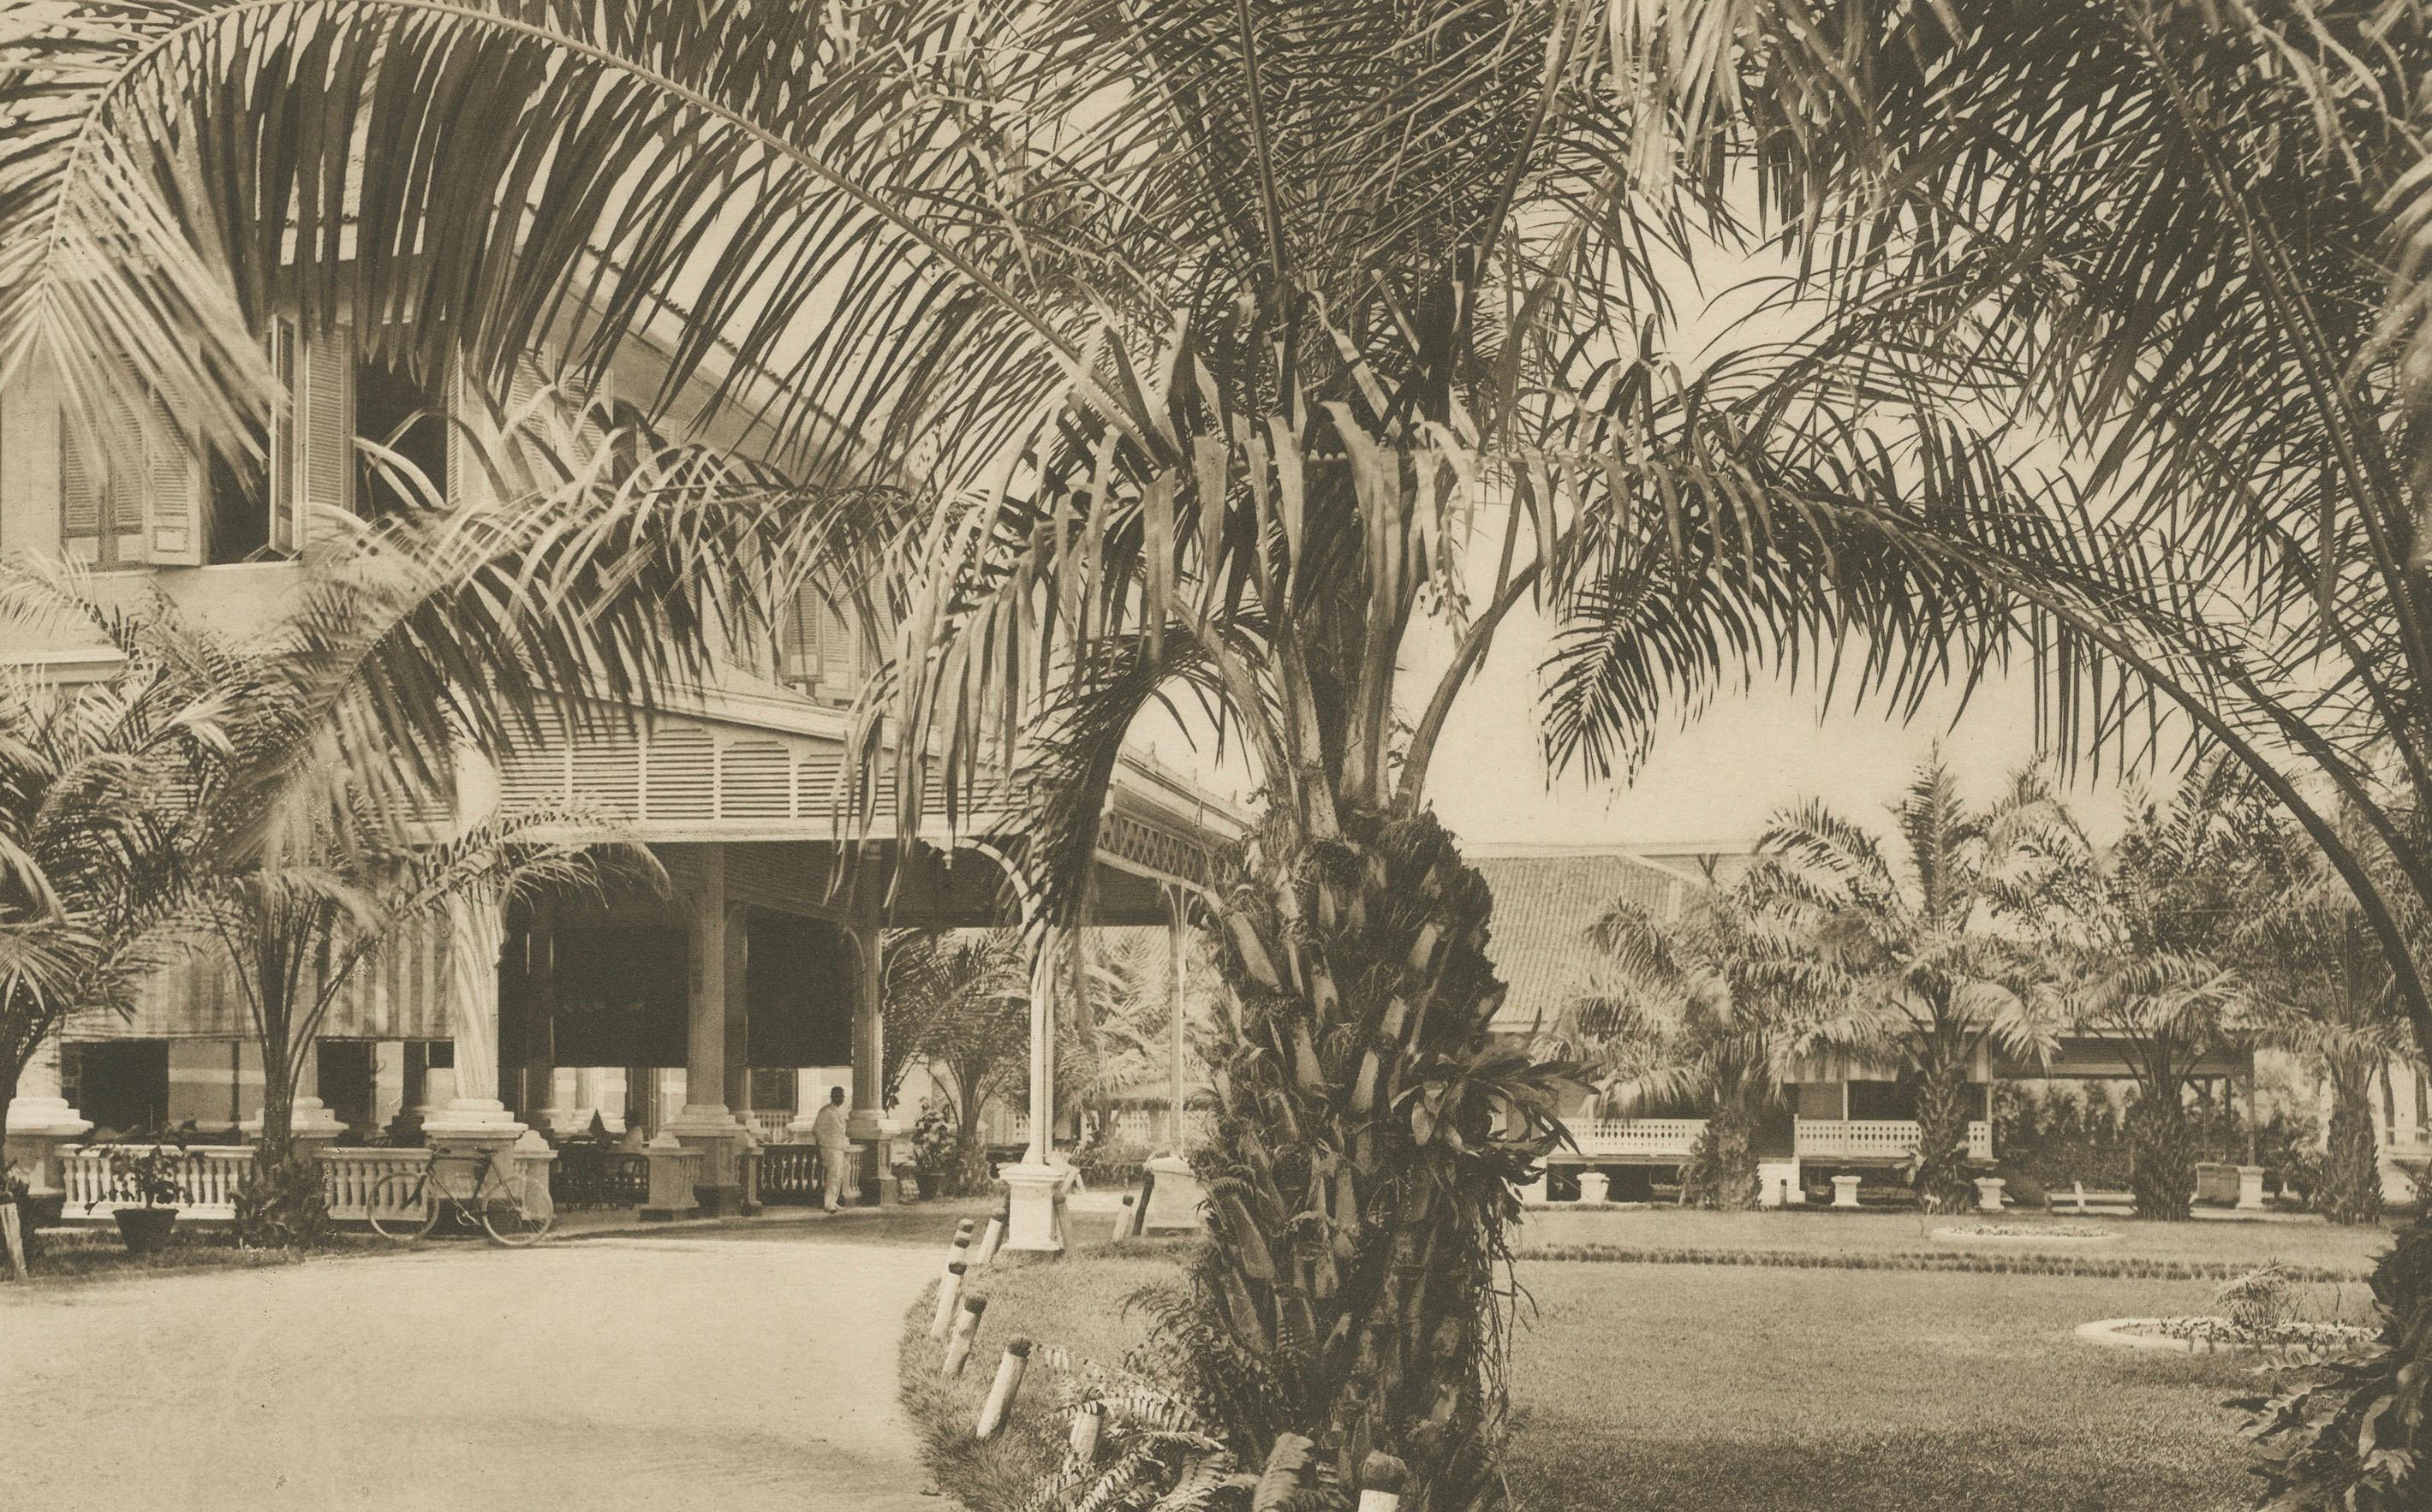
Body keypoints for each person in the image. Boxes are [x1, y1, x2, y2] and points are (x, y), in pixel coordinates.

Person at [809, 1086, 850, 1212]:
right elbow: (817, 1130)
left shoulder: (838, 1112)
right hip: (830, 1148)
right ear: (832, 1096)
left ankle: (834, 1201)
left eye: (842, 1096)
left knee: (838, 1175)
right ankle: (828, 1203)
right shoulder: (826, 1111)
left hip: (839, 1148)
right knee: (832, 1175)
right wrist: (824, 1145)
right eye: (838, 1096)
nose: (840, 1098)